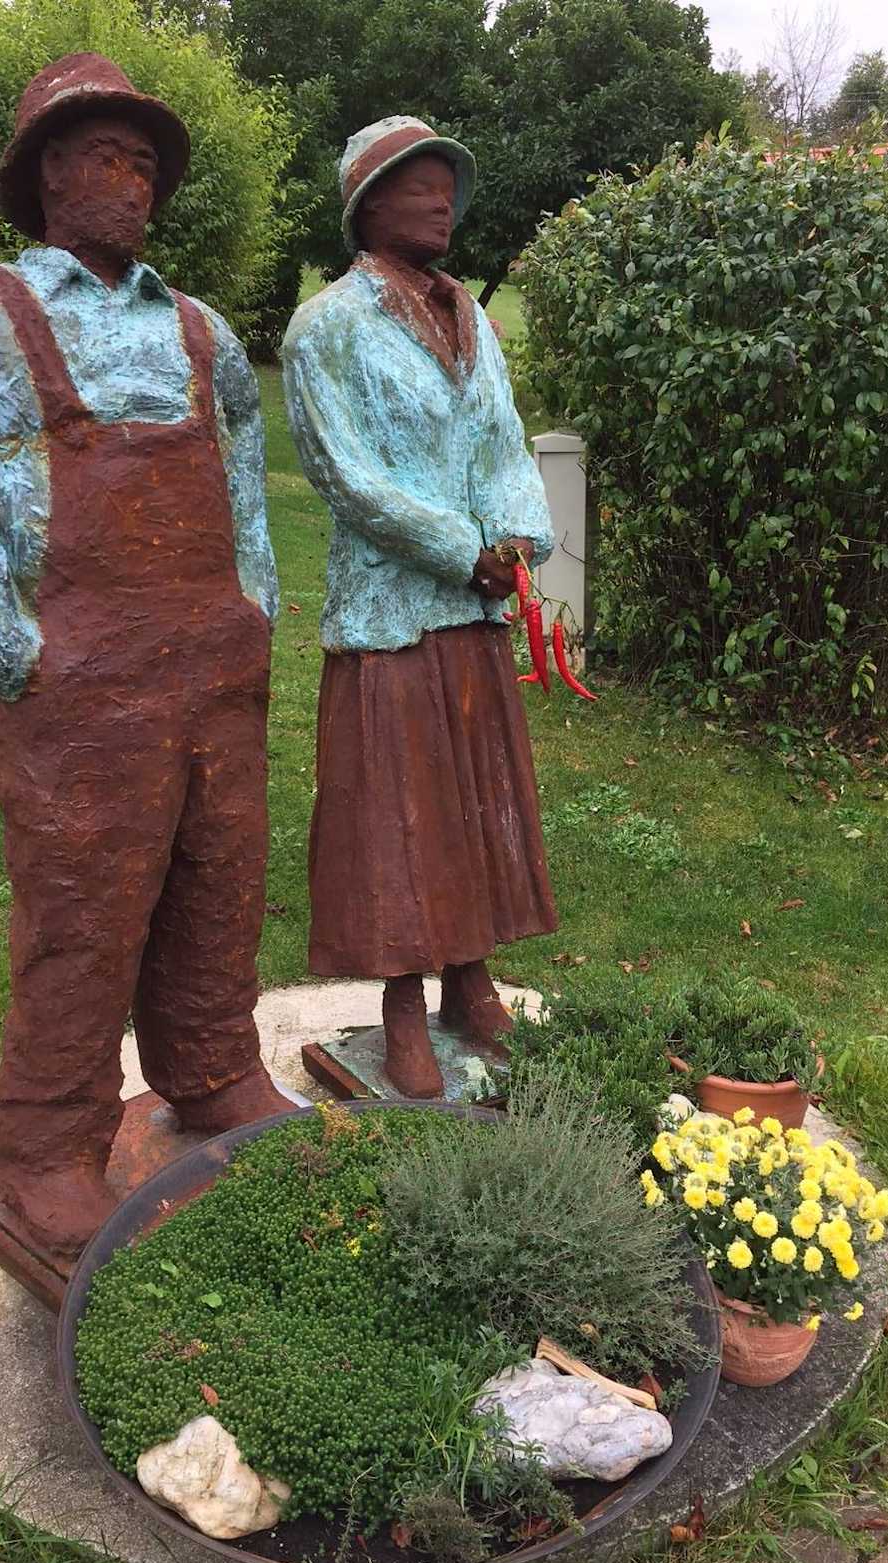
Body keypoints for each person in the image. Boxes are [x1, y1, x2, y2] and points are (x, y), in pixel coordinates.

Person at [0, 54, 291, 1256]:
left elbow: (245, 472)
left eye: (146, 164)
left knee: (221, 874)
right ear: (48, 174)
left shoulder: (199, 331)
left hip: (214, 664)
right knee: (84, 906)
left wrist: (255, 605)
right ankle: (48, 1144)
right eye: (107, 157)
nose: (133, 182)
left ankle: (212, 1067)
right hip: (78, 675)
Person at [282, 116, 558, 1099]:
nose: (441, 202)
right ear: (367, 207)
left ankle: (469, 985)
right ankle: (402, 1003)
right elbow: (347, 476)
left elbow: (505, 443)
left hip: (473, 614)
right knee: (395, 815)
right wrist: (457, 550)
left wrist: (519, 540)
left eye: (448, 186)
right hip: (391, 615)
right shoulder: (326, 329)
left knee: (474, 802)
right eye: (417, 185)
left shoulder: (472, 319)